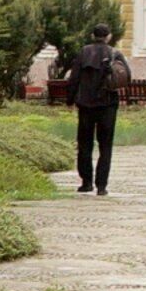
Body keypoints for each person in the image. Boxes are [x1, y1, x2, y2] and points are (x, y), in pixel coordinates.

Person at [59, 23, 131, 193]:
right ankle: (101, 186)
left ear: (93, 35)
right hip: (108, 105)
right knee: (106, 145)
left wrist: (70, 100)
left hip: (86, 104)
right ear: (109, 36)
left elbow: (74, 78)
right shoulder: (115, 53)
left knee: (84, 144)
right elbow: (127, 76)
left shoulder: (84, 52)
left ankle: (86, 182)